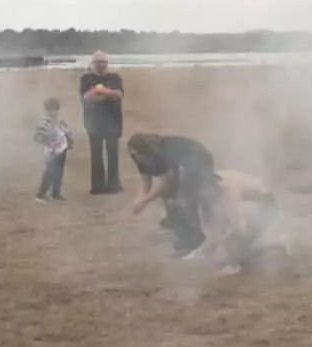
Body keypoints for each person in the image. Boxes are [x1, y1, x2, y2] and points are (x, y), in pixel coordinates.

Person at [127, 132, 220, 256]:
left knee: (185, 194)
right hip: (184, 163)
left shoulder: (158, 155)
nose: (134, 157)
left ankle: (196, 235)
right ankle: (179, 226)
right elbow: (145, 181)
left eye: (136, 154)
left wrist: (144, 201)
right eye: (132, 154)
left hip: (199, 158)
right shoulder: (139, 157)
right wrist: (139, 200)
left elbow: (165, 184)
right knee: (172, 195)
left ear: (144, 152)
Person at [80, 51, 124, 195]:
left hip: (114, 121)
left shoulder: (115, 78)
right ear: (93, 63)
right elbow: (86, 98)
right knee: (96, 155)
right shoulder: (86, 78)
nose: (101, 65)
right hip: (93, 122)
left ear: (107, 63)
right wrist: (107, 94)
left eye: (104, 62)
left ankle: (113, 185)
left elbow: (119, 95)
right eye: (98, 62)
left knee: (113, 155)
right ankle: (97, 187)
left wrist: (100, 91)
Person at [33, 97, 75, 202]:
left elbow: (68, 132)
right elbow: (37, 137)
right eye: (51, 110)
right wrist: (46, 140)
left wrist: (70, 142)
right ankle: (41, 194)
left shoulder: (61, 121)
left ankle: (56, 193)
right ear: (47, 110)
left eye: (55, 109)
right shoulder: (44, 123)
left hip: (62, 149)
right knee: (49, 172)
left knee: (59, 172)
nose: (54, 112)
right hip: (51, 151)